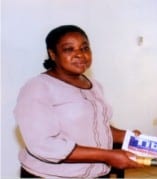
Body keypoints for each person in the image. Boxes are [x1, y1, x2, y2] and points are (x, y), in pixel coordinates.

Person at [14, 25, 142, 178]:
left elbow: (97, 126)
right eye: (69, 49)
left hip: (96, 174)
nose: (80, 55)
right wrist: (108, 156)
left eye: (84, 48)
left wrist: (129, 137)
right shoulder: (38, 87)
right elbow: (44, 144)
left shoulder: (94, 85)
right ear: (52, 54)